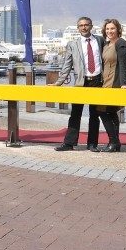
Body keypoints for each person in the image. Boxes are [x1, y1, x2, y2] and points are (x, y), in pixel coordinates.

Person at [54, 16, 105, 151]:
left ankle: (92, 144)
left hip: (97, 81)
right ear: (78, 28)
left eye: (86, 25)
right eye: (81, 25)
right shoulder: (73, 44)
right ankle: (69, 143)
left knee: (95, 115)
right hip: (80, 82)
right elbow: (67, 65)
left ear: (91, 26)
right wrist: (58, 82)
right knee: (75, 113)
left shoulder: (100, 40)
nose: (84, 27)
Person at [96, 18, 126, 153]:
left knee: (102, 111)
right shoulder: (106, 44)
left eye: (112, 29)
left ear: (118, 30)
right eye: (108, 29)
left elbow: (122, 66)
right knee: (110, 112)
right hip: (105, 82)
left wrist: (123, 84)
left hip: (114, 83)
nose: (109, 31)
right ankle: (115, 143)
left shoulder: (121, 44)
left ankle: (113, 141)